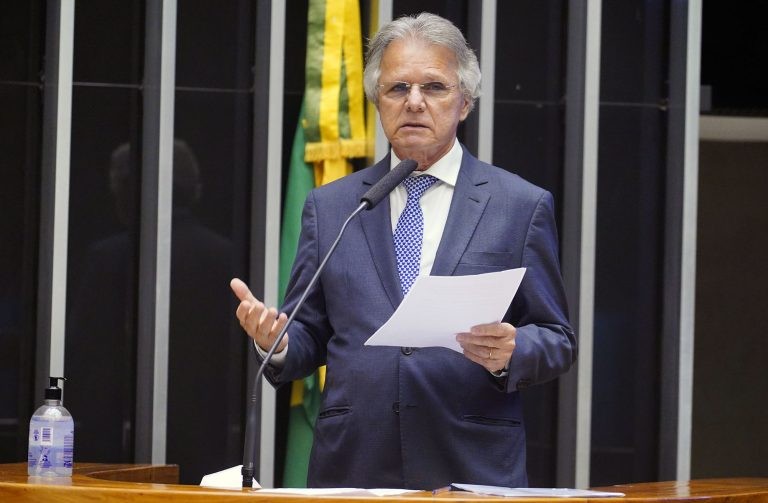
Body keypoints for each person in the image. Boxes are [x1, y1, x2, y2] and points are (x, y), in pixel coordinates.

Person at [231, 12, 576, 489]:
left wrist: (511, 351)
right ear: (377, 100)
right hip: (353, 464)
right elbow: (309, 332)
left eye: (434, 87)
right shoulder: (332, 206)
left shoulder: (520, 205)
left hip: (470, 464)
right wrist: (278, 342)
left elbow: (557, 337)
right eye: (397, 88)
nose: (414, 102)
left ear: (465, 102)